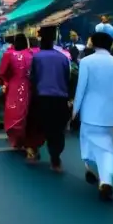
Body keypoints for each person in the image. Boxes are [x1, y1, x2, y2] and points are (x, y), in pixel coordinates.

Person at [72, 32, 113, 200]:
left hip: (89, 111)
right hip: (111, 113)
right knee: (108, 148)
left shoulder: (86, 62)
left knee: (88, 143)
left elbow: (81, 89)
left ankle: (91, 169)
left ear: (93, 43)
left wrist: (75, 110)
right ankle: (106, 180)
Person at [27, 26, 71, 169]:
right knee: (57, 130)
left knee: (36, 126)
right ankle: (55, 158)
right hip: (60, 99)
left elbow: (32, 78)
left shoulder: (37, 57)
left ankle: (34, 151)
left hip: (41, 97)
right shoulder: (63, 58)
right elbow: (67, 79)